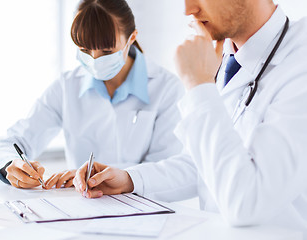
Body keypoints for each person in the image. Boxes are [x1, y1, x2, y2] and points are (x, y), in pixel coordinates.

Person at [72, 0, 307, 235]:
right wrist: (129, 179)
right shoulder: (226, 57)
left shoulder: (299, 60)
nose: (188, 10)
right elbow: (201, 164)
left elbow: (247, 201)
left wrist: (199, 86)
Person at [0, 0, 184, 190]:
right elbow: (13, 142)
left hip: (146, 212)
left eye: (107, 51)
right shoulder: (66, 86)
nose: (95, 60)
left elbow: (166, 172)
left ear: (131, 38)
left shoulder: (166, 88)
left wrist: (110, 177)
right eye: (84, 49)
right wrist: (10, 165)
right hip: (83, 210)